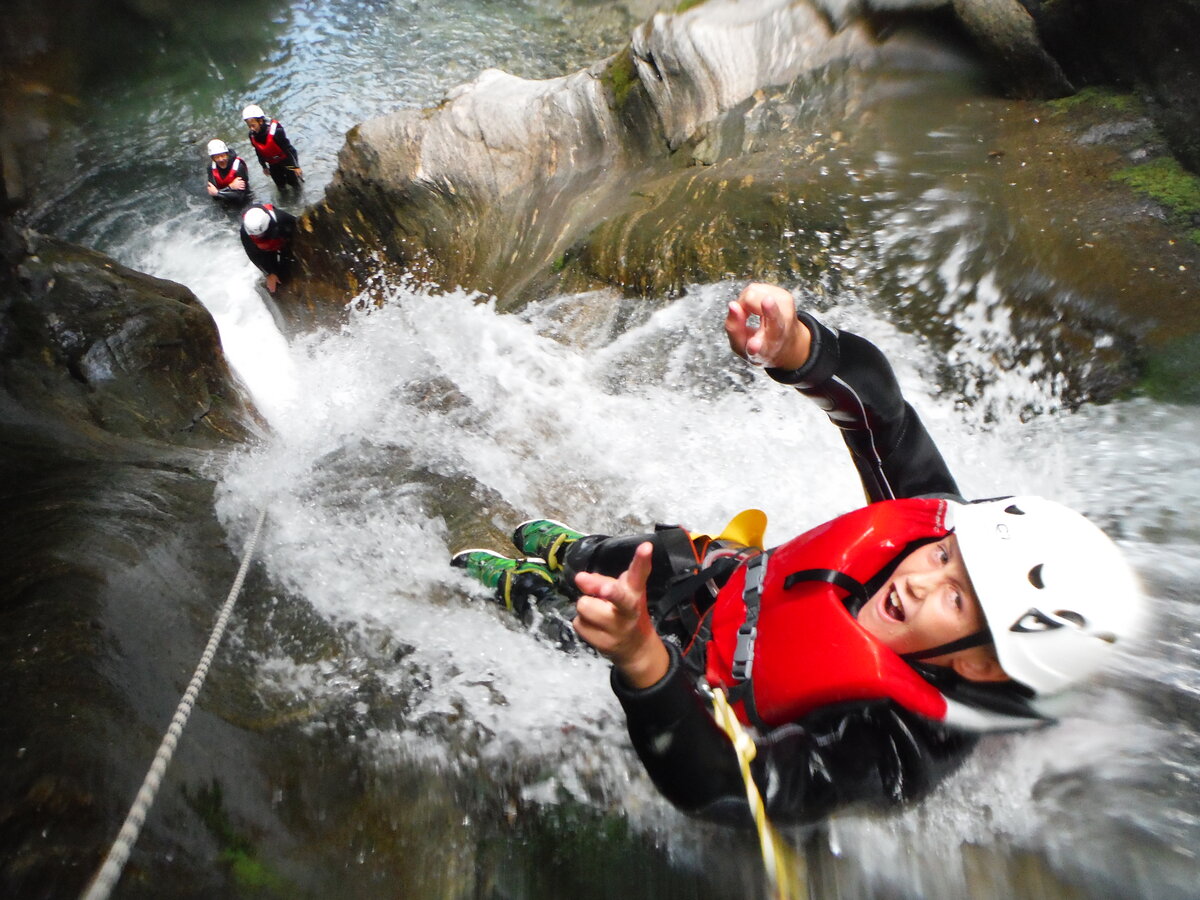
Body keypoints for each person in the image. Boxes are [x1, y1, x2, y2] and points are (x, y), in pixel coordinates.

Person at [452, 282, 1144, 826]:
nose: (920, 578)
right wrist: (800, 347)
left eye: (957, 598)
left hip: (697, 695)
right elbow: (885, 415)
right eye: (941, 559)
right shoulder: (933, 531)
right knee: (653, 557)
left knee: (586, 631)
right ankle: (574, 551)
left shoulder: (899, 754)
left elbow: (726, 793)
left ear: (980, 664)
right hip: (721, 586)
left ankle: (530, 598)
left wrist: (641, 663)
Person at [242, 104, 303, 190]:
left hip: (286, 161)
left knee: (294, 184)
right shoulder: (252, 136)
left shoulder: (276, 131)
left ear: (260, 121)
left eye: (253, 125)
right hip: (273, 164)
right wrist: (264, 167)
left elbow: (289, 150)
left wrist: (296, 166)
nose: (251, 129)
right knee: (280, 186)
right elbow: (258, 152)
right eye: (249, 126)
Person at [239, 202, 295, 294]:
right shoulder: (245, 232)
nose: (258, 237)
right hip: (266, 250)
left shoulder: (280, 218)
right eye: (256, 236)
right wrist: (269, 273)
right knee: (276, 271)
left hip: (280, 236)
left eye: (260, 235)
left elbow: (297, 225)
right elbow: (253, 254)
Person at [204, 139, 250, 205]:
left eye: (223, 156)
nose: (221, 160)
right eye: (217, 157)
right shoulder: (211, 167)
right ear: (213, 159)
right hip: (224, 199)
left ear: (227, 154)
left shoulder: (238, 167)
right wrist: (230, 187)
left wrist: (218, 192)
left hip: (242, 201)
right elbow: (213, 194)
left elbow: (241, 196)